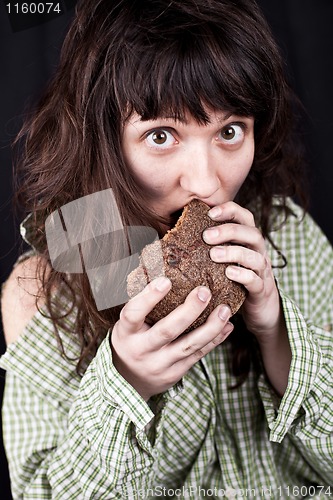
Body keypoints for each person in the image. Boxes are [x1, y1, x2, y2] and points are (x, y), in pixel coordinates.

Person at [1, 0, 332, 498]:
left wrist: (278, 334)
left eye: (229, 131)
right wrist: (126, 382)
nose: (206, 181)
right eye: (161, 135)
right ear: (104, 142)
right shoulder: (43, 294)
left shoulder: (291, 238)